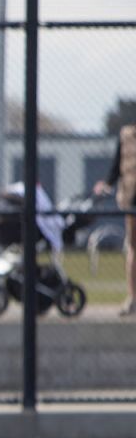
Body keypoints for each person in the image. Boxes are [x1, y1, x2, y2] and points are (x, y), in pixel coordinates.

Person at [94, 123, 136, 316]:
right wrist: (107, 183)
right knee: (133, 248)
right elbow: (117, 164)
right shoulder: (127, 135)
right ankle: (133, 298)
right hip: (131, 199)